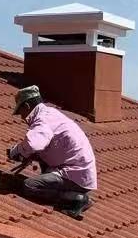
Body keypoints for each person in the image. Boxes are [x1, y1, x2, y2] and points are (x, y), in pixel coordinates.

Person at [7, 85, 96, 214]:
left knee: (29, 186)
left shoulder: (43, 120)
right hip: (81, 173)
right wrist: (30, 155)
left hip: (75, 176)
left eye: (21, 113)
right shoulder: (50, 113)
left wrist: (17, 151)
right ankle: (66, 189)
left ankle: (76, 198)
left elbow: (33, 144)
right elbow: (44, 145)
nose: (22, 118)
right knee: (39, 155)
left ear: (26, 107)